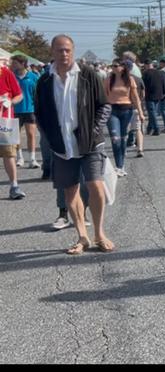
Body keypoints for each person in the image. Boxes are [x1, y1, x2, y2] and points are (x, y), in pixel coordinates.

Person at [35, 34, 113, 255]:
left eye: (68, 49)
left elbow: (104, 106)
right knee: (70, 191)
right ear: (52, 52)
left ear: (74, 50)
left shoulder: (88, 75)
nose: (64, 54)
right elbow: (40, 113)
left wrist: (94, 130)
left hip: (90, 143)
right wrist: (50, 137)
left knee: (96, 186)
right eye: (60, 50)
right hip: (62, 146)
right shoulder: (44, 81)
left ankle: (99, 233)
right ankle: (82, 237)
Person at [104, 58, 144, 176]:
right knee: (115, 139)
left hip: (126, 110)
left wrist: (141, 112)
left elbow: (135, 97)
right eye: (112, 66)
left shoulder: (129, 80)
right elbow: (103, 96)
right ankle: (118, 166)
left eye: (116, 66)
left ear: (123, 67)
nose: (114, 68)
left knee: (123, 138)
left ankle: (121, 165)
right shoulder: (108, 80)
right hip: (112, 111)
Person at [0, 51, 25, 199]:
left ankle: (14, 186)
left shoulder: (6, 73)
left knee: (9, 153)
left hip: (5, 120)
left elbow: (19, 95)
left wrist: (11, 101)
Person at [11, 54, 40, 169]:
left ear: (22, 63)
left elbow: (37, 94)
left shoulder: (33, 77)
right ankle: (20, 158)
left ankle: (32, 159)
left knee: (31, 134)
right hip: (15, 110)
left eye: (15, 63)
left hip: (30, 110)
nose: (13, 65)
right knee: (16, 136)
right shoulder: (11, 76)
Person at [142, 61, 165, 136]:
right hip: (158, 94)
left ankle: (156, 128)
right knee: (153, 112)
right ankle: (149, 128)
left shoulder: (145, 73)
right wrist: (164, 93)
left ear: (146, 65)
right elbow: (163, 83)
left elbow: (143, 86)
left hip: (149, 95)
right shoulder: (160, 73)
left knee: (152, 113)